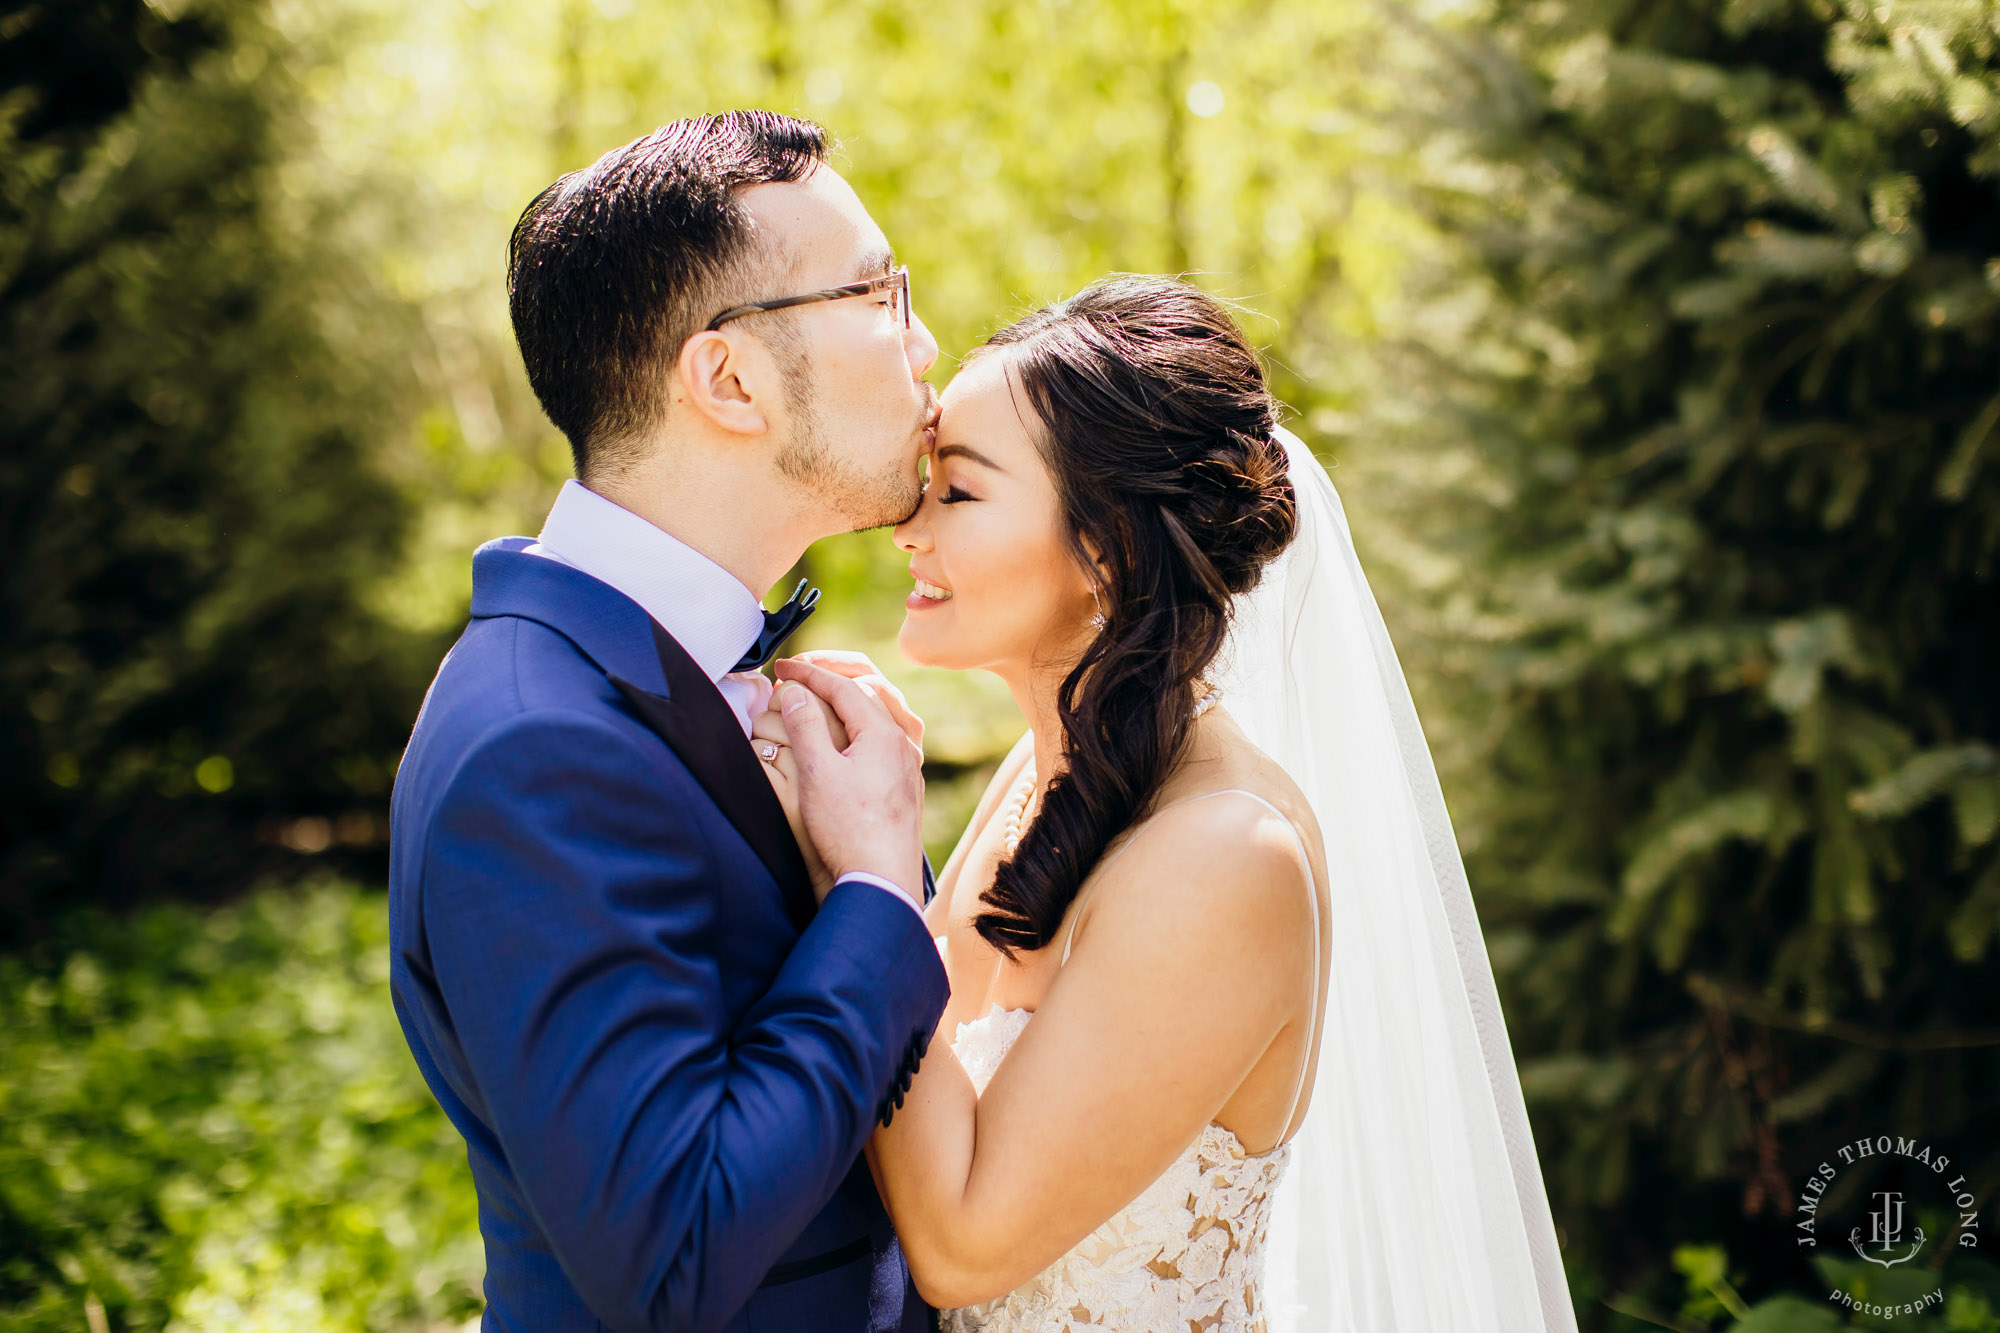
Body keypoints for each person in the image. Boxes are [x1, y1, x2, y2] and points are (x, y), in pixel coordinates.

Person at [760, 277, 1582, 1331]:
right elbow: (912, 1063)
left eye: (957, 491)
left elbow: (962, 1246)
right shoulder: (1047, 769)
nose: (905, 523)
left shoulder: (1225, 857)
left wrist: (866, 871)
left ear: (1105, 547)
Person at [387, 111, 954, 1333]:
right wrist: (869, 898)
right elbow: (673, 1254)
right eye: (879, 294)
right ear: (729, 379)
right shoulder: (537, 746)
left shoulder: (660, 686)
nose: (926, 344)